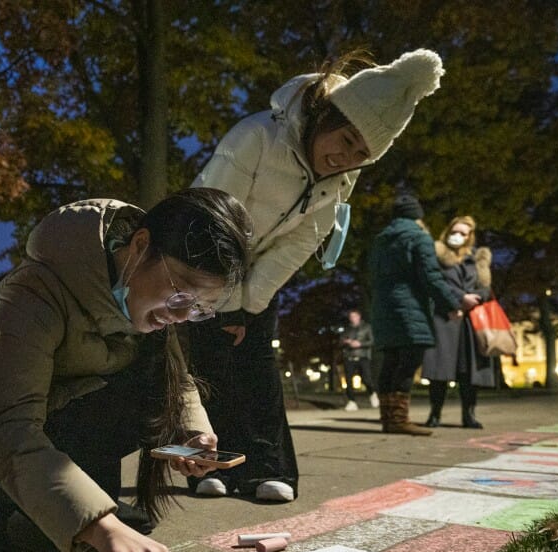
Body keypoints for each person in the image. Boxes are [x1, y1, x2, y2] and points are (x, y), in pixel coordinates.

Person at [0, 188, 251, 552]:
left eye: (200, 307)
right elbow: (6, 427)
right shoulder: (34, 290)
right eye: (181, 293)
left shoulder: (146, 300)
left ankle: (87, 503)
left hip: (62, 413)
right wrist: (102, 529)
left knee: (142, 387)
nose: (182, 313)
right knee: (88, 420)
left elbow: (176, 381)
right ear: (139, 246)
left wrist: (193, 433)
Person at [188, 49, 444, 499]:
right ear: (327, 115)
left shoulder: (342, 179)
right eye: (345, 140)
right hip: (200, 259)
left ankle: (269, 467)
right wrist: (225, 303)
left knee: (259, 367)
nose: (344, 158)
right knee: (212, 364)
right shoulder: (257, 137)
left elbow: (300, 242)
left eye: (361, 154)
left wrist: (250, 304)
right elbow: (213, 221)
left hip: (254, 278)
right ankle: (213, 466)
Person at [369, 193, 476, 435]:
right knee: (408, 362)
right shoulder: (419, 238)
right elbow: (431, 277)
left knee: (390, 362)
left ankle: (388, 418)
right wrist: (451, 305)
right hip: (410, 307)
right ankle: (398, 420)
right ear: (417, 216)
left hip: (383, 308)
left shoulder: (380, 240)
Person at [421, 216, 495, 428]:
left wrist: (474, 299)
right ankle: (435, 414)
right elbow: (435, 283)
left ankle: (469, 414)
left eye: (463, 233)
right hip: (445, 318)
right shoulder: (437, 255)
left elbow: (485, 287)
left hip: (471, 321)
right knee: (439, 370)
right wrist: (459, 299)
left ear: (470, 236)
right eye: (455, 231)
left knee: (469, 371)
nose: (458, 236)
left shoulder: (478, 259)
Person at [340, 309, 378, 411]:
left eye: (354, 316)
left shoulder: (367, 327)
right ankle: (352, 401)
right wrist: (347, 342)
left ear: (359, 316)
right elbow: (341, 340)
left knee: (366, 379)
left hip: (363, 356)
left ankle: (372, 394)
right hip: (349, 356)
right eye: (351, 316)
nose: (353, 318)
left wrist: (360, 344)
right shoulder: (347, 329)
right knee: (348, 380)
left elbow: (372, 341)